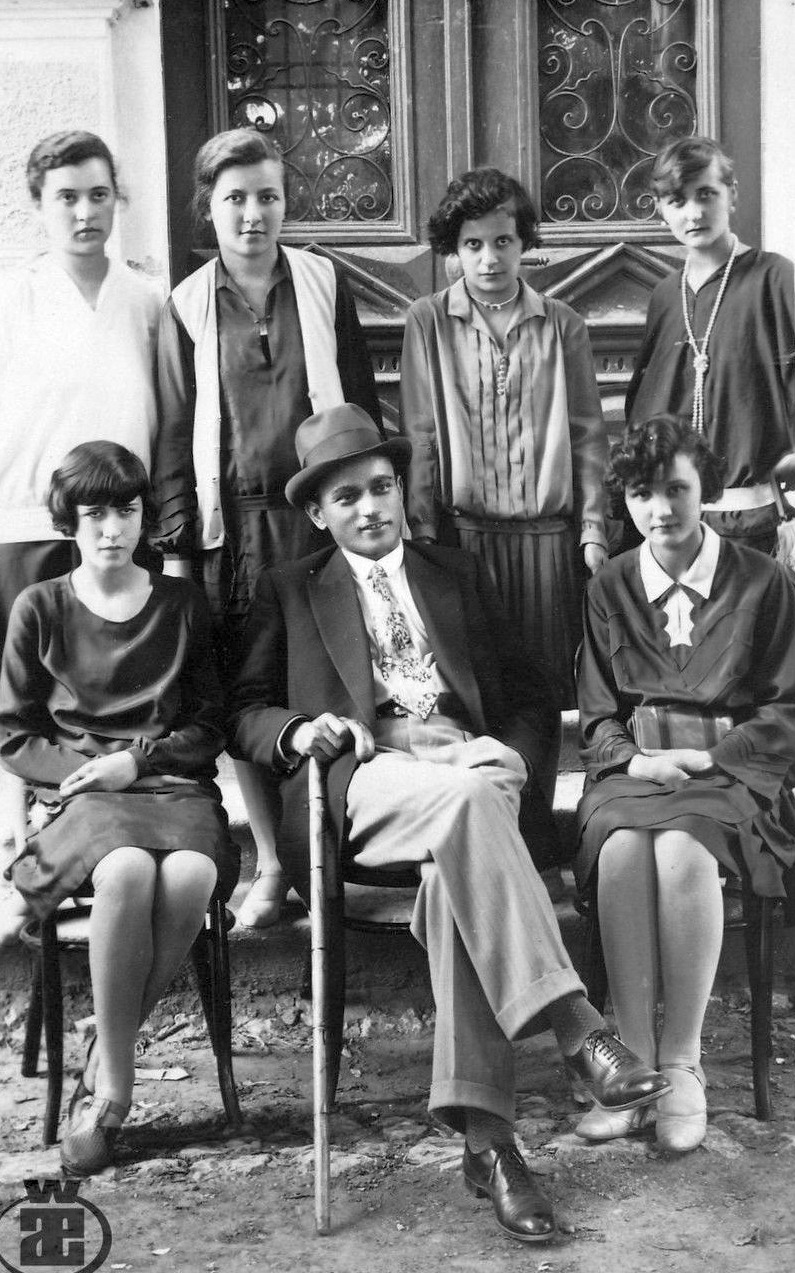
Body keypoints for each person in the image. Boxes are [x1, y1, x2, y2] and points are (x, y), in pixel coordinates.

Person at [228, 403, 669, 1243]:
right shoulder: (288, 589)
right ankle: (577, 1027)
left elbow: (531, 691)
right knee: (465, 807)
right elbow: (244, 710)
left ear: (401, 490)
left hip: (472, 779)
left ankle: (490, 1146)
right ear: (317, 512)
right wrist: (299, 729)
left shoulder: (455, 572)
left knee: (451, 888)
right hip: (367, 782)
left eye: (380, 487)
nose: (370, 507)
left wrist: (516, 756)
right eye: (347, 496)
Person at [153, 128, 383, 929]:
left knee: (328, 684)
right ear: (208, 208)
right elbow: (174, 435)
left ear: (286, 201)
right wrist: (179, 552)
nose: (252, 214)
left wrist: (366, 509)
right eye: (234, 199)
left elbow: (359, 402)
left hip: (317, 524)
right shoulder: (186, 304)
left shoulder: (321, 281)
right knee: (246, 696)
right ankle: (274, 861)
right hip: (237, 537)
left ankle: (330, 851)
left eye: (267, 196)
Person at [0, 442, 238, 1176]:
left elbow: (210, 722)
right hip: (83, 797)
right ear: (69, 520)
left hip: (168, 783)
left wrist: (139, 759)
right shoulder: (40, 606)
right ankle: (113, 1093)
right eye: (95, 513)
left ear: (143, 515)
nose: (112, 528)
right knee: (128, 869)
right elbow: (12, 733)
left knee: (192, 874)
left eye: (126, 510)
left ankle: (106, 1047)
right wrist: (81, 774)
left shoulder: (182, 604)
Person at [576, 416, 795, 1152]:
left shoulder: (762, 580)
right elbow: (598, 712)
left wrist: (715, 755)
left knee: (680, 847)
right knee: (620, 847)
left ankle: (683, 1062)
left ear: (705, 489)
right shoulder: (610, 584)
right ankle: (632, 1069)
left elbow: (786, 705)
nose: (660, 509)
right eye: (642, 493)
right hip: (636, 770)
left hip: (730, 770)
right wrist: (634, 761)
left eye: (675, 489)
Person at [0, 129, 160, 911]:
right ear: (39, 205)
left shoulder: (147, 299)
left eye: (98, 194)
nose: (85, 212)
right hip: (30, 522)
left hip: (121, 528)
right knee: (26, 696)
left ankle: (104, 842)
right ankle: (17, 853)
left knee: (109, 690)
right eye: (66, 197)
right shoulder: (14, 296)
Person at [399, 167, 608, 715]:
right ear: (454, 249)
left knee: (545, 695)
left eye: (503, 241)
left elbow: (588, 436)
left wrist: (592, 530)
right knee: (475, 694)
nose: (489, 258)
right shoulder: (428, 321)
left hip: (546, 544)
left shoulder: (562, 324)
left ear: (523, 243)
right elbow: (419, 434)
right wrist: (422, 532)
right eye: (473, 245)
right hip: (463, 542)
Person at [625, 136, 795, 555]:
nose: (695, 213)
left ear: (732, 194)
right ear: (661, 209)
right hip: (670, 522)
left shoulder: (775, 278)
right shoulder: (666, 296)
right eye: (678, 201)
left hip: (753, 521)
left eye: (706, 194)